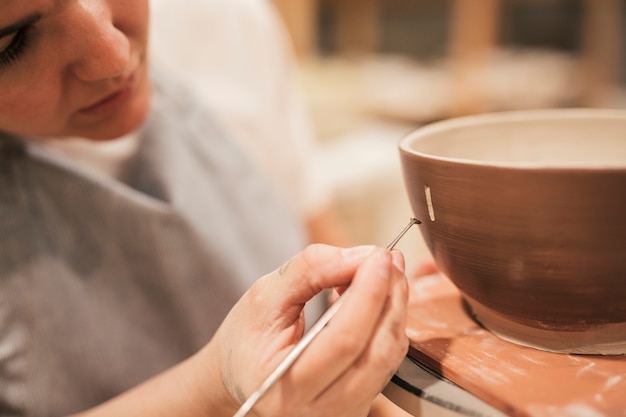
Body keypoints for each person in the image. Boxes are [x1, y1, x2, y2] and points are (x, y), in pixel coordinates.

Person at [0, 1, 410, 416]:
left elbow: (322, 239)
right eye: (10, 44)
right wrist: (213, 388)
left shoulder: (223, 22)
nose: (114, 56)